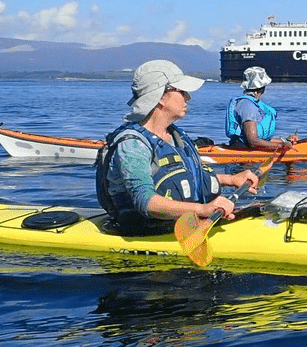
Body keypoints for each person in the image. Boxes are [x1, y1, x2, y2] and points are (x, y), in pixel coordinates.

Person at [96, 60, 260, 236]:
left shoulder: (175, 136)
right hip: (145, 231)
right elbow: (147, 202)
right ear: (160, 97)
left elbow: (189, 177)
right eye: (181, 91)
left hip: (184, 224)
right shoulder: (133, 145)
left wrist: (230, 179)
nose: (188, 97)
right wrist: (203, 209)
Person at [225, 66, 297, 151]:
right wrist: (281, 146)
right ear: (262, 88)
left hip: (247, 146)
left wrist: (286, 141)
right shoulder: (248, 105)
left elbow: (260, 140)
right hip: (244, 150)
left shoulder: (250, 103)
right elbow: (253, 141)